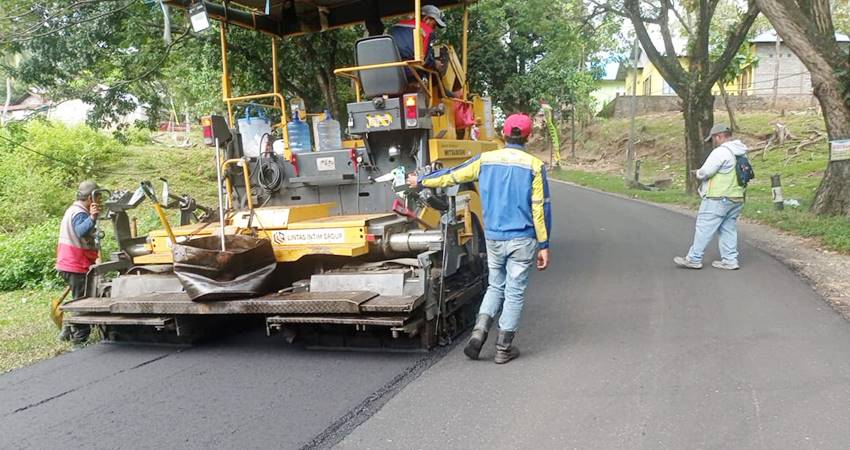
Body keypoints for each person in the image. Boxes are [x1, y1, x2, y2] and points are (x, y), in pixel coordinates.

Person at [407, 114, 552, 364]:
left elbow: (452, 175)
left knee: (496, 286)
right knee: (514, 292)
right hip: (523, 239)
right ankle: (503, 348)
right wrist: (544, 245)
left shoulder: (485, 160)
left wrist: (421, 181)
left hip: (495, 238)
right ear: (527, 137)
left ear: (503, 134)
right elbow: (540, 208)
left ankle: (478, 336)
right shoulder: (534, 166)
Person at [674, 124, 748, 270]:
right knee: (728, 228)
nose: (713, 142)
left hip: (718, 197)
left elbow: (706, 172)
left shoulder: (721, 152)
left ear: (718, 136)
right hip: (737, 197)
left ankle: (694, 259)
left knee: (704, 228)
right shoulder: (741, 152)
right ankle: (730, 260)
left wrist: (697, 173)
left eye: (713, 138)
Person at [55, 180, 102, 343]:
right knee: (83, 303)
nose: (100, 201)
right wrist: (93, 217)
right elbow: (81, 231)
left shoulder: (73, 209)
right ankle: (79, 340)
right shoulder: (80, 212)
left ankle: (66, 333)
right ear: (91, 197)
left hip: (69, 262)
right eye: (99, 197)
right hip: (75, 264)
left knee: (78, 299)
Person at [388, 4, 446, 71]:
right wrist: (435, 63)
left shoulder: (395, 27)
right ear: (426, 19)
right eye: (434, 25)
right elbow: (424, 61)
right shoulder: (426, 31)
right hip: (408, 72)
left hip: (388, 68)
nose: (434, 29)